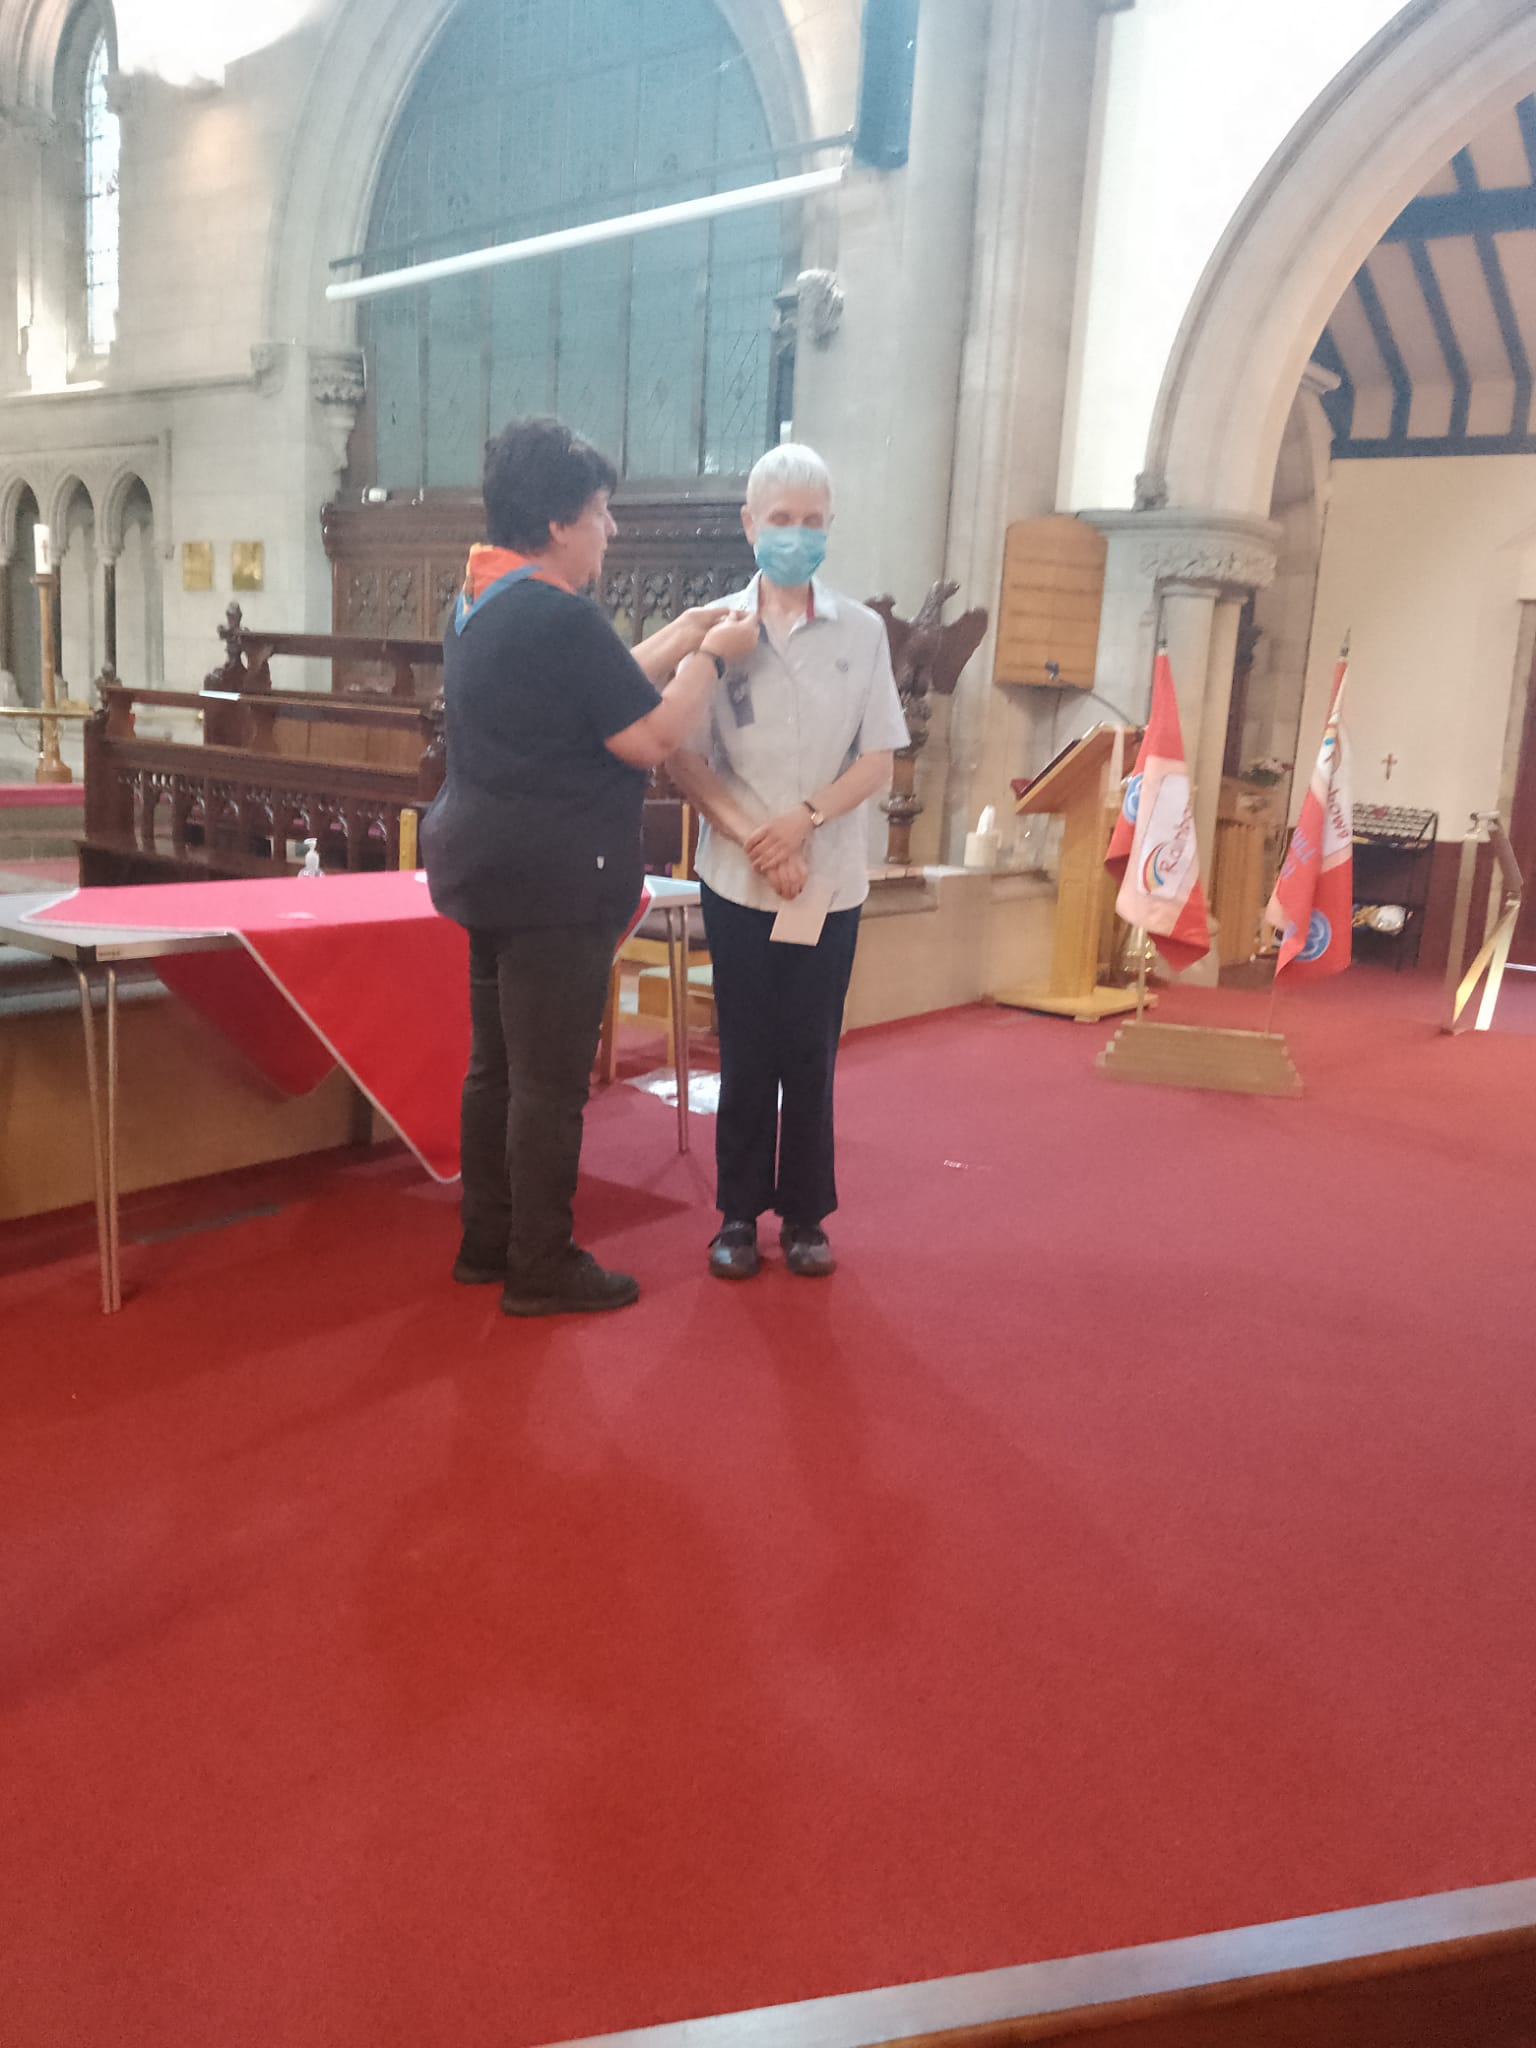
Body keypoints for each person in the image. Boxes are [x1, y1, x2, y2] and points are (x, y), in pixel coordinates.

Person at [421, 416, 757, 1318]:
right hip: (554, 885)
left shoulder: (481, 599)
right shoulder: (562, 617)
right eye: (602, 510)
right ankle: (542, 1263)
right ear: (559, 523)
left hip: (488, 870)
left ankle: (487, 1241)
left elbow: (596, 687)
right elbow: (648, 735)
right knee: (549, 1085)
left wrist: (678, 631)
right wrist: (710, 660)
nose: (611, 527)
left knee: (496, 1070)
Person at [667, 443, 908, 1280]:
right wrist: (755, 841)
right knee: (743, 1049)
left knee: (810, 1051)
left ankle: (806, 1215)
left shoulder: (862, 631)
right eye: (780, 519)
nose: (796, 535)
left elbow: (878, 760)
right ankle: (737, 1214)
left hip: (828, 878)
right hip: (737, 877)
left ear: (830, 527)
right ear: (749, 524)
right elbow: (683, 756)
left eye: (812, 521)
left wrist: (804, 823)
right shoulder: (714, 631)